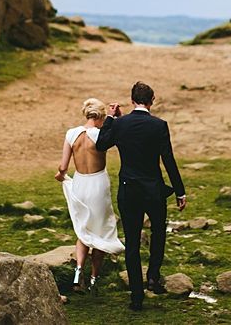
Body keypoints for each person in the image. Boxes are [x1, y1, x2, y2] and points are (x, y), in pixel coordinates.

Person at [96, 81, 186, 311]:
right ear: (152, 100)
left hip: (129, 190)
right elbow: (168, 160)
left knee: (133, 243)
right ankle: (154, 276)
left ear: (131, 100)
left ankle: (136, 296)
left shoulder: (121, 124)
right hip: (154, 190)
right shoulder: (159, 125)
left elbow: (101, 144)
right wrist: (180, 191)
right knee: (158, 233)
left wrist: (111, 118)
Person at [56, 98, 124, 292]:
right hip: (98, 184)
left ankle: (78, 272)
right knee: (100, 229)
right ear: (101, 116)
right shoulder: (100, 135)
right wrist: (115, 117)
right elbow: (119, 133)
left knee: (83, 229)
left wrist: (61, 175)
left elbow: (63, 166)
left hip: (80, 182)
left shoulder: (71, 134)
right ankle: (94, 278)